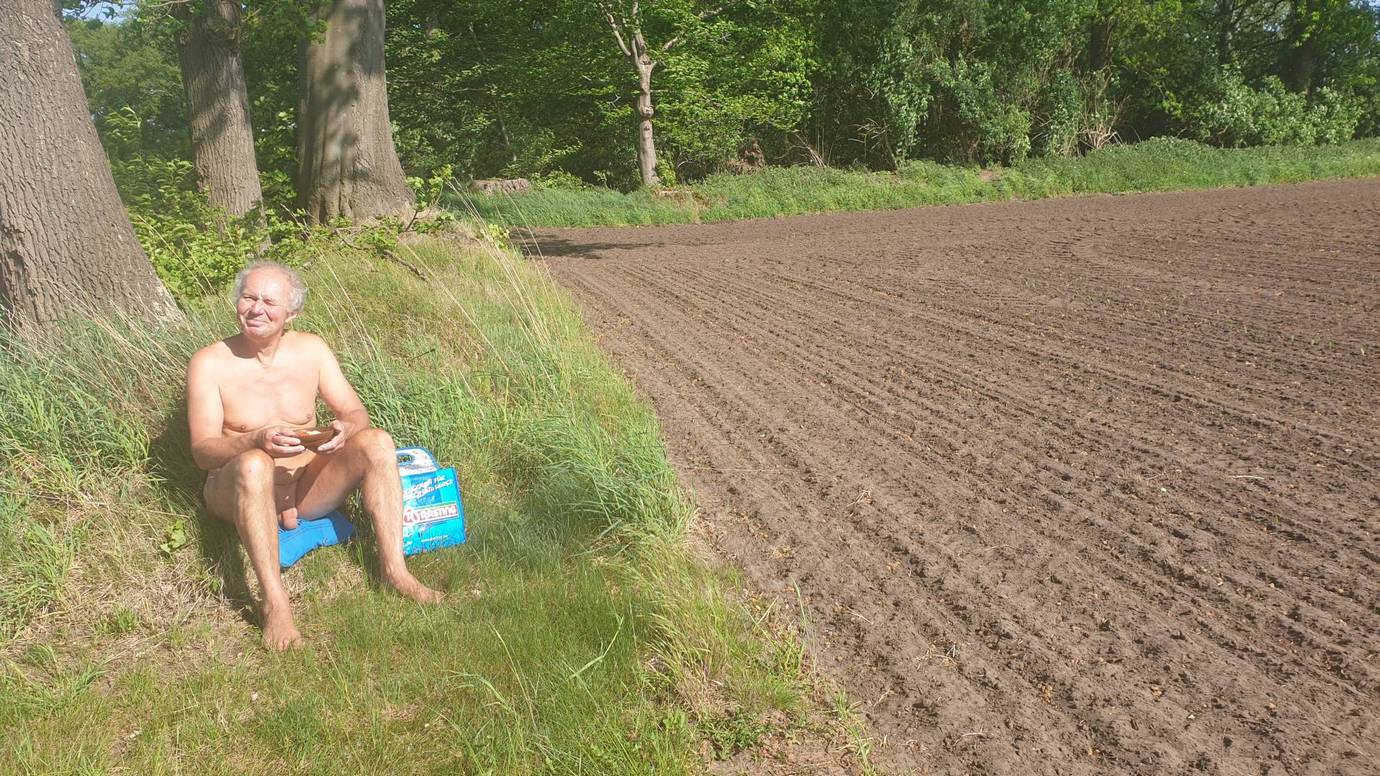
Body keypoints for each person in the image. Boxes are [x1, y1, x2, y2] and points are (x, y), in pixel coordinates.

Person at [186, 261, 443, 651]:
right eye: (248, 297)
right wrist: (252, 440)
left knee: (377, 441)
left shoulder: (311, 350)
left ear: (292, 313)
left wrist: (345, 429)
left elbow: (357, 413)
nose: (256, 309)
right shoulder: (210, 362)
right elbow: (203, 453)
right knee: (256, 464)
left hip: (306, 488)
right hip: (239, 486)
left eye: (269, 301)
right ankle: (275, 604)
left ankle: (395, 571)